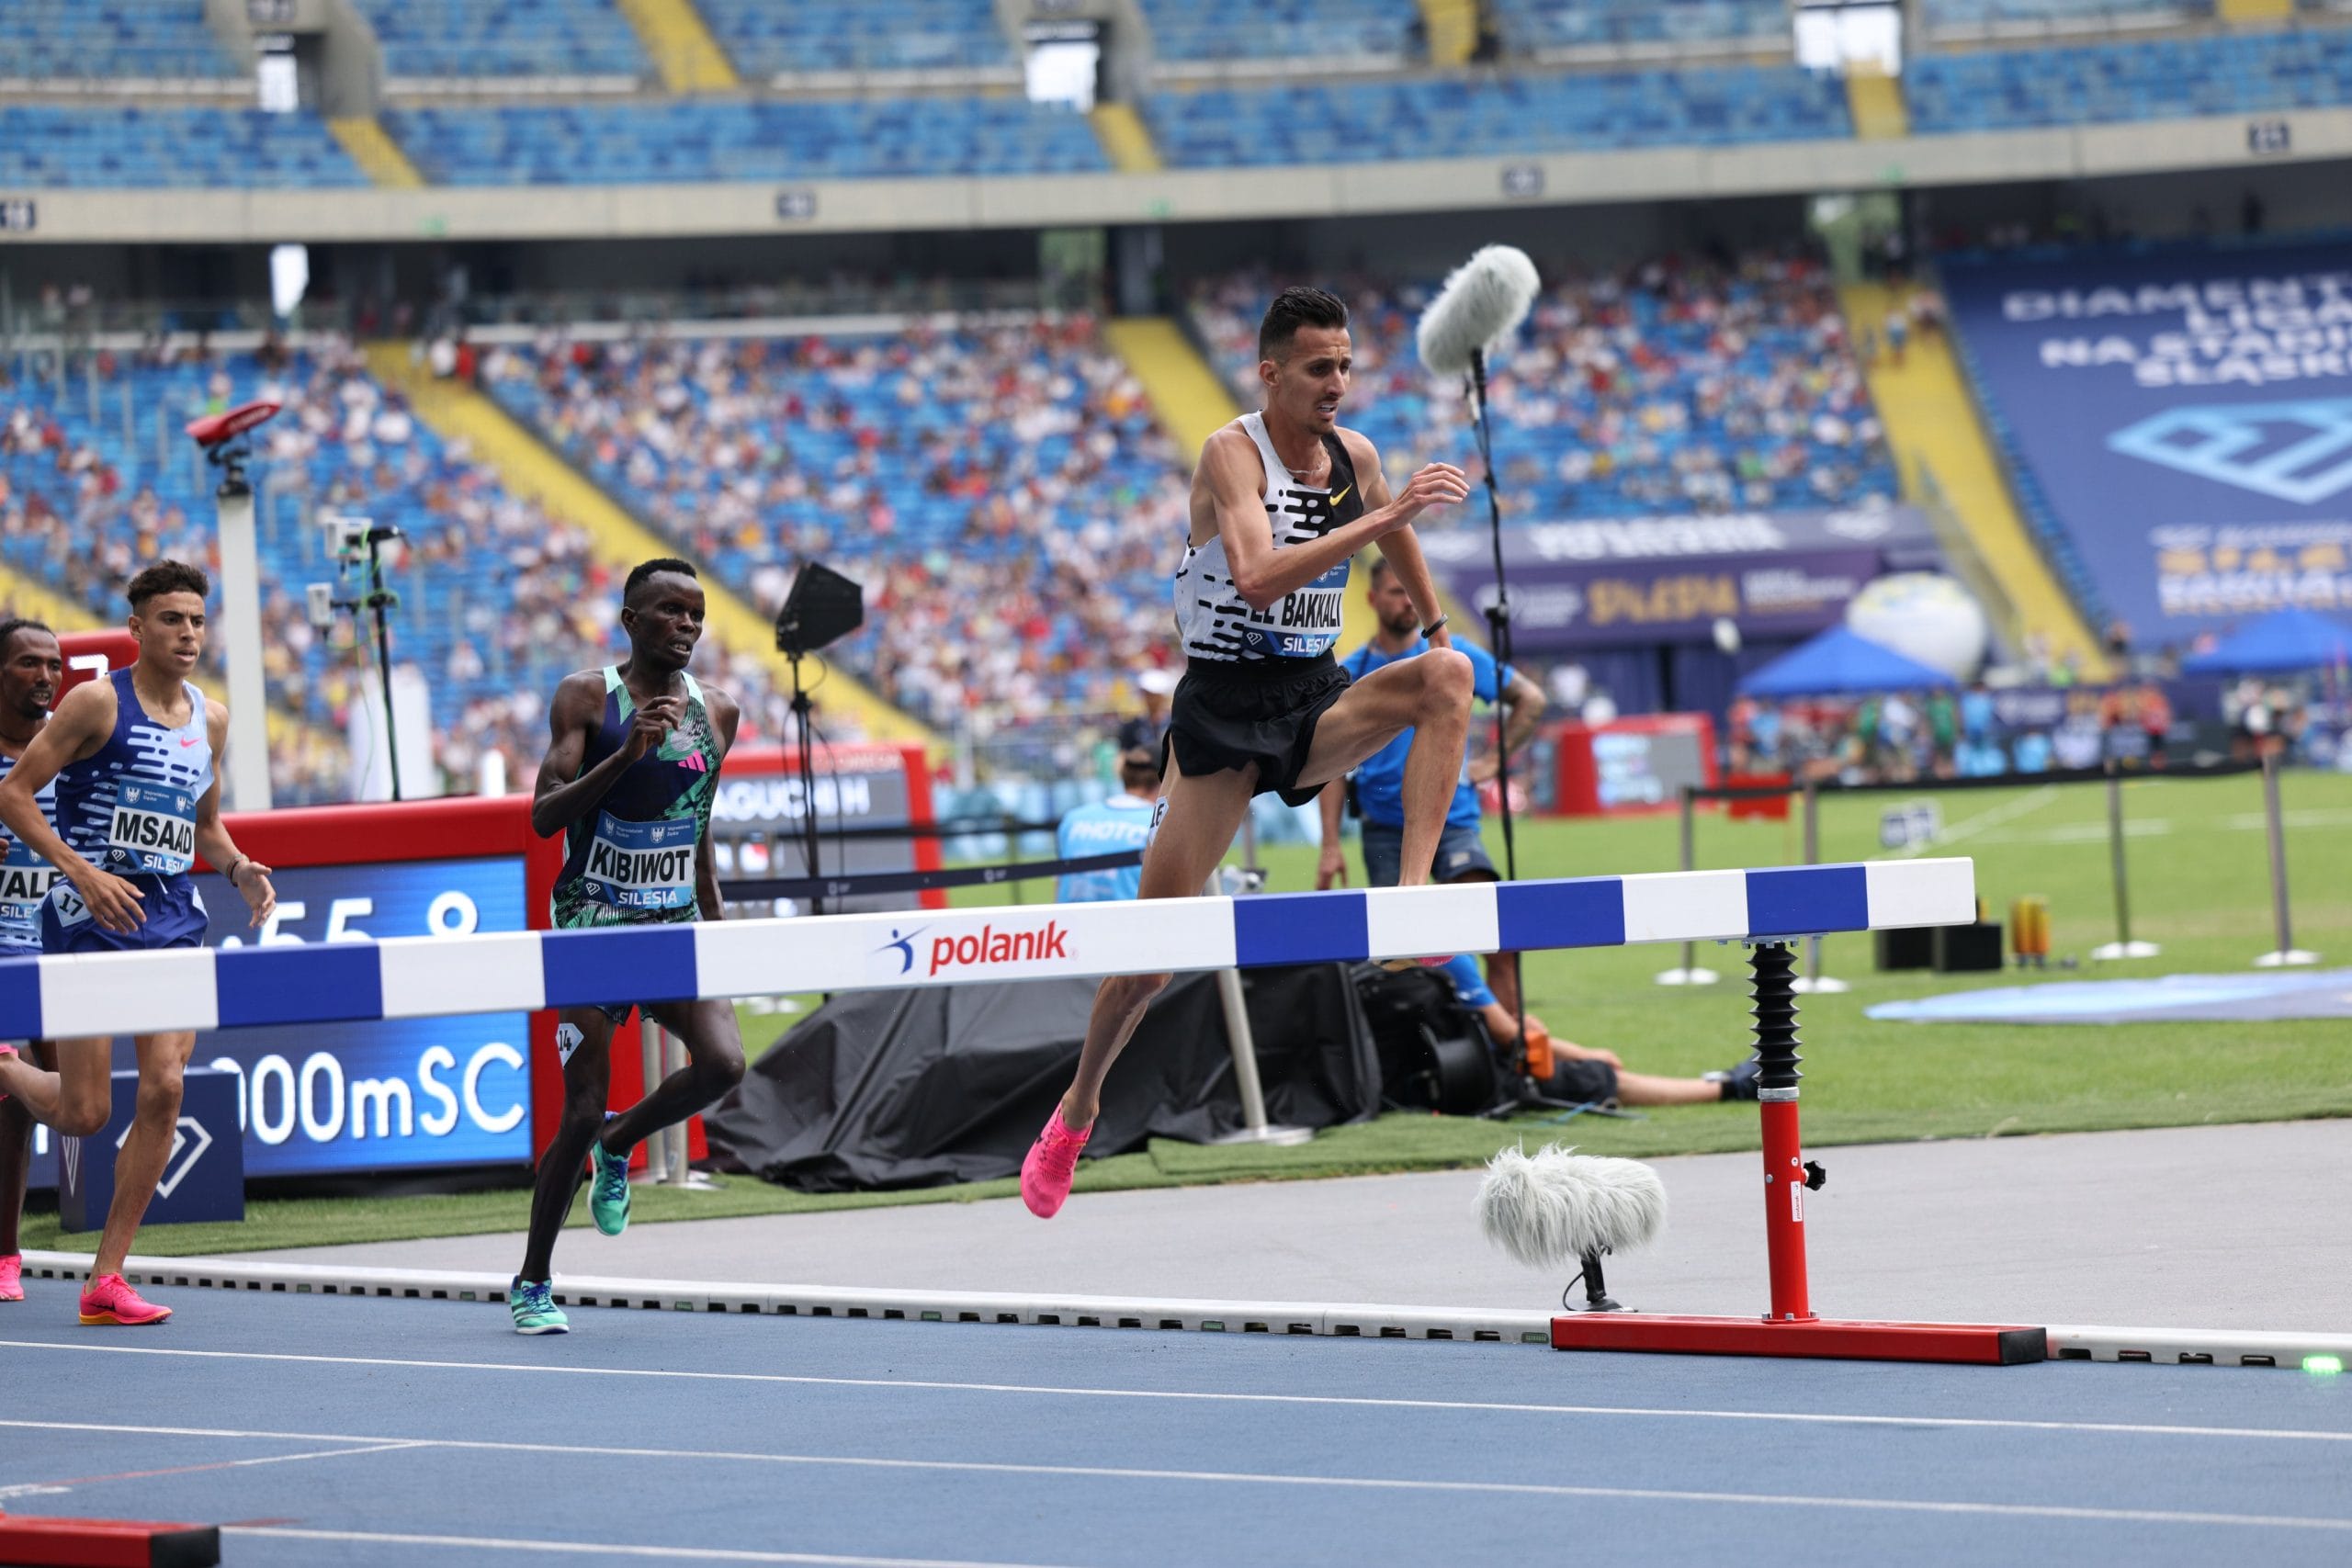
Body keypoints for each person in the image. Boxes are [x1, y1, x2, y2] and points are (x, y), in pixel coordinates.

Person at [1019, 285, 1474, 1219]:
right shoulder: (1232, 452)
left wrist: (1431, 623)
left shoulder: (1356, 456)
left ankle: (1414, 898)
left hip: (1309, 698)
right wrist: (1383, 523)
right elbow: (1261, 578)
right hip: (1221, 715)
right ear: (1271, 374)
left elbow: (1397, 541)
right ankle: (1077, 1105)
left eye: (1346, 365)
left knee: (1450, 677)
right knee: (1149, 959)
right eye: (1318, 368)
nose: (1337, 384)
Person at [0, 563, 276, 1325]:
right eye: (171, 620)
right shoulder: (96, 703)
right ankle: (7, 1068)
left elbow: (205, 825)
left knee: (165, 1085)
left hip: (172, 917)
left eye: (195, 620)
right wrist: (81, 872)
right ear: (137, 629)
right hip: (91, 916)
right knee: (85, 1112)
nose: (187, 634)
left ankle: (106, 1278)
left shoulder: (211, 719)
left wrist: (240, 866)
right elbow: (14, 793)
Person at [511, 558, 746, 1335]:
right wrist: (623, 759)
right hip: (590, 926)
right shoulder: (587, 697)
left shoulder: (721, 711)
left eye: (696, 614)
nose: (685, 626)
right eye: (669, 612)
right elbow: (544, 818)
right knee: (577, 1108)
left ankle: (623, 1139)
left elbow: (698, 823)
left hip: (672, 922)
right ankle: (533, 1279)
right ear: (631, 621)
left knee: (722, 1063)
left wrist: (716, 926)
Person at [1316, 555, 1544, 1015]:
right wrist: (1329, 844)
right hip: (1384, 827)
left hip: (1454, 821)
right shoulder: (1350, 669)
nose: (1406, 601)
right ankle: (1438, 1055)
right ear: (1372, 598)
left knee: (1496, 939)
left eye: (1412, 592)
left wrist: (1489, 763)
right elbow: (1331, 769)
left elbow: (1531, 699)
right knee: (1399, 955)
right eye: (1396, 592)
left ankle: (1511, 1057)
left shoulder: (1452, 654)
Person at [1430, 956, 1758, 1108]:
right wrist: (1586, 1054)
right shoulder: (1447, 956)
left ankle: (1723, 1082)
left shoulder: (1390, 943)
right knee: (1599, 1074)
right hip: (1471, 1080)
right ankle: (1730, 1087)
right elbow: (1507, 1036)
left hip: (1418, 1077)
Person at [0, 619, 63, 1304]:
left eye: (54, 663)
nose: (45, 676)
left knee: (81, 1100)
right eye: (27, 663)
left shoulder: (68, 752)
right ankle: (6, 1254)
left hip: (57, 948)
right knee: (11, 1112)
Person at [1055, 745, 1159, 904]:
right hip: (1134, 925)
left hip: (1073, 925)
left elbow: (1059, 888)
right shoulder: (1160, 824)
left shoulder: (1073, 819)